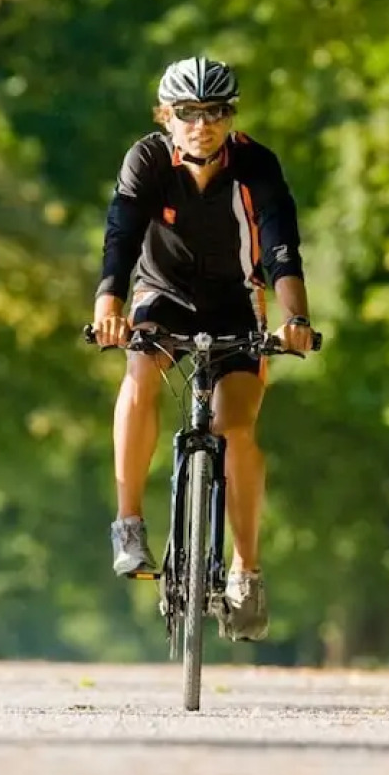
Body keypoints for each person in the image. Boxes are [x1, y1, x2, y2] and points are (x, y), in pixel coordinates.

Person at [91, 56, 316, 641]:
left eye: (214, 112)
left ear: (229, 116)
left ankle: (246, 570)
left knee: (234, 426)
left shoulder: (255, 165)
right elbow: (121, 233)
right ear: (166, 116)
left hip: (237, 302)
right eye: (187, 113)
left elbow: (281, 246)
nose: (201, 124)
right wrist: (107, 308)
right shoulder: (146, 160)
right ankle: (129, 522)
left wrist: (296, 318)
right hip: (160, 295)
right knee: (140, 372)